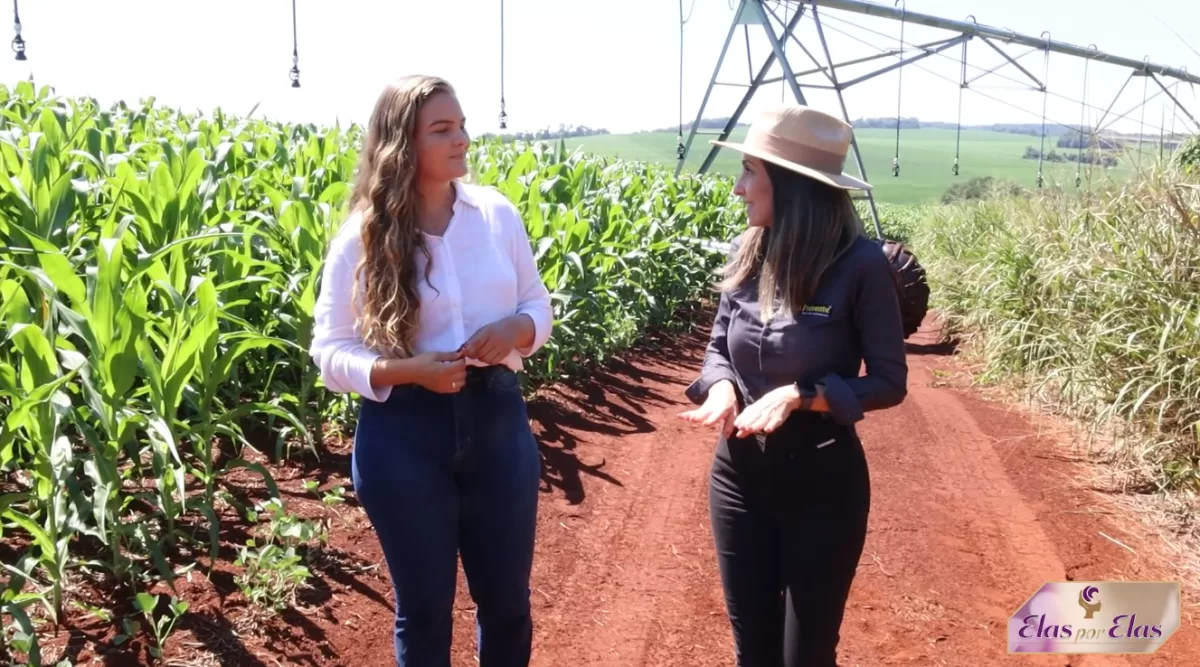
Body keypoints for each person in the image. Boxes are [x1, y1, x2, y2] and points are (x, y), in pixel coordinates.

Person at [309, 74, 553, 667]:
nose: (461, 139)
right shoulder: (361, 239)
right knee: (423, 614)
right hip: (404, 436)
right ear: (402, 144)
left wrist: (515, 330)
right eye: (442, 129)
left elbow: (537, 304)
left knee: (508, 606)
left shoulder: (496, 215)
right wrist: (408, 371)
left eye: (462, 125)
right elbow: (330, 351)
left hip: (498, 422)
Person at [679, 104, 909, 667]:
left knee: (805, 655)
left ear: (791, 184)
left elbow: (889, 381)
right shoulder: (746, 250)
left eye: (749, 171)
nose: (738, 188)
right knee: (753, 651)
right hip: (738, 477)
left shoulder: (861, 265)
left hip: (823, 483)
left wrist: (802, 394)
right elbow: (718, 347)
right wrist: (721, 387)